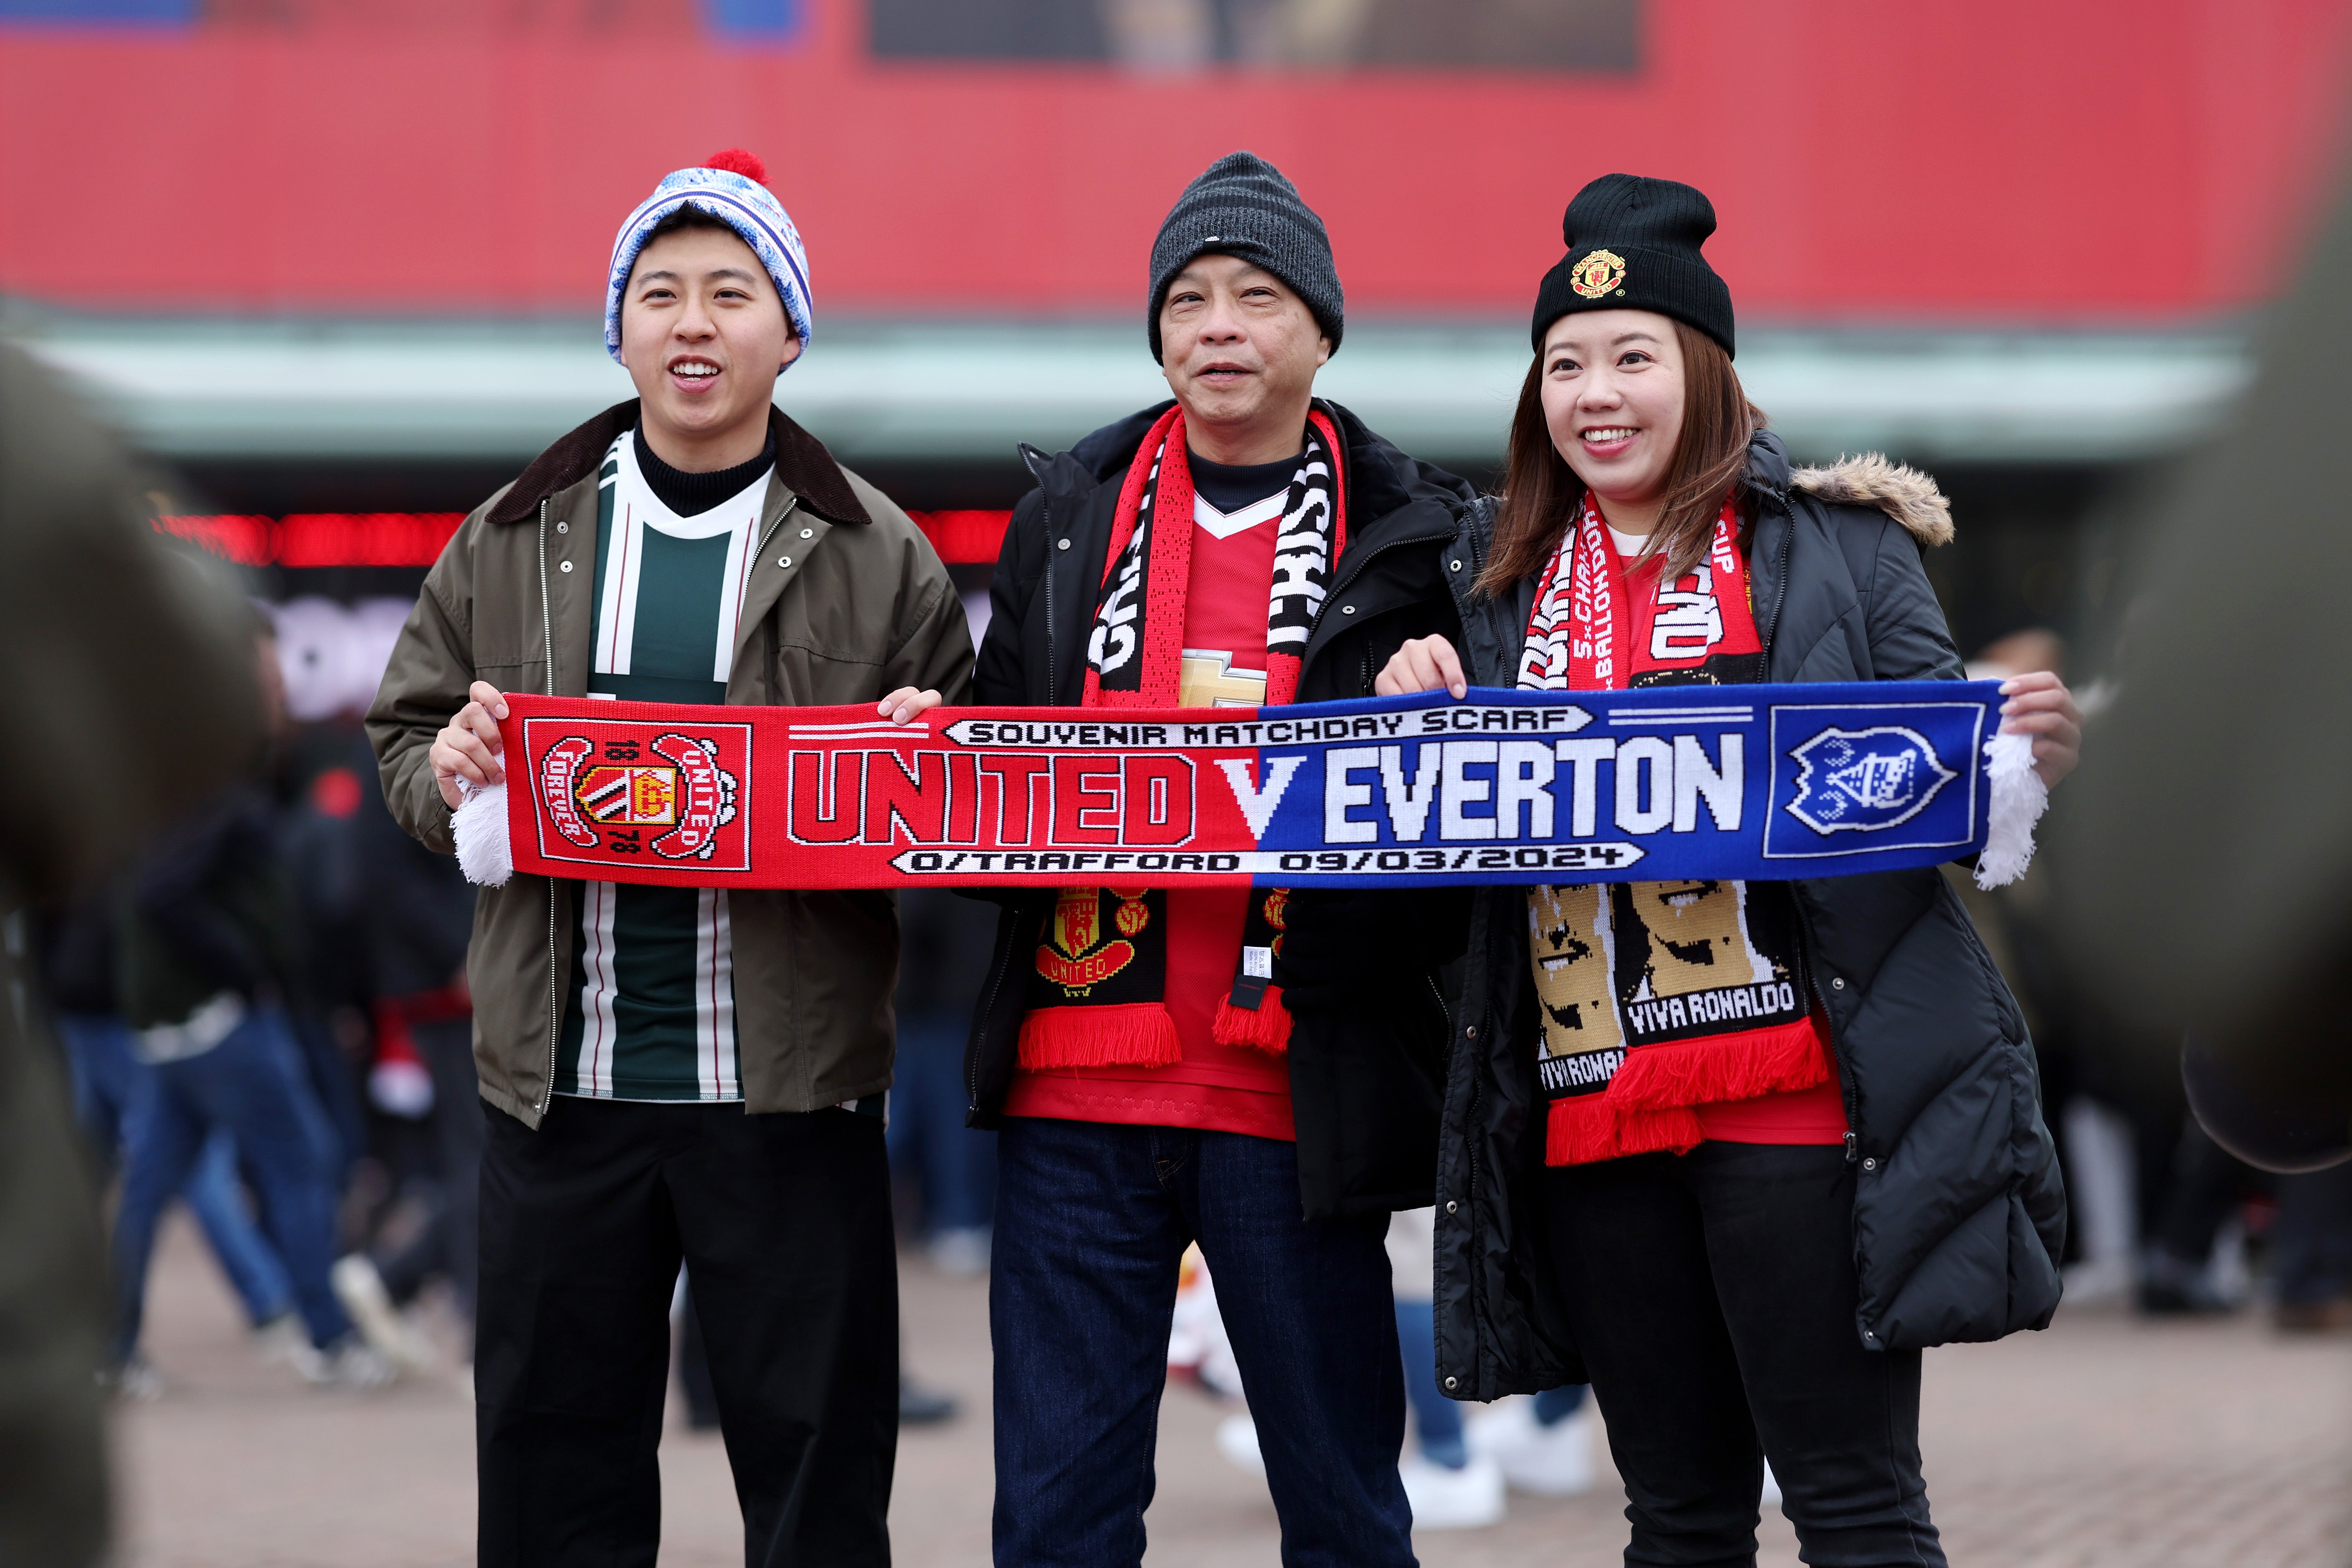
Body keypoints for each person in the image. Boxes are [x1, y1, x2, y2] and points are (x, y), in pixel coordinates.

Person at [1354, 174, 2082, 1564]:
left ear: (1706, 374)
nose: (1594, 392)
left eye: (1631, 356)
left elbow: (1945, 796)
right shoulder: (1489, 585)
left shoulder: (1840, 543)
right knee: (1676, 1519)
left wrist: (2012, 764)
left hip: (1796, 1104)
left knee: (1853, 1505)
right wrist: (1415, 698)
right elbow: (1442, 852)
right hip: (1588, 1107)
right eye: (1562, 365)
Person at [367, 149, 971, 1566]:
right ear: (619, 326)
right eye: (660, 293)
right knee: (548, 1469)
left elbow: (959, 796)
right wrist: (448, 768)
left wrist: (928, 746)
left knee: (817, 1472)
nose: (692, 323)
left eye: (730, 291)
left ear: (789, 327)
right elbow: (404, 735)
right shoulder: (510, 534)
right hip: (556, 1091)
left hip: (789, 1095)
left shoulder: (877, 552)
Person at [964, 150, 1477, 1567]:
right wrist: (930, 740)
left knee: (1342, 1505)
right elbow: (987, 768)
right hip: (1077, 1080)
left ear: (1319, 327)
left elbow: (1480, 847)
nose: (1217, 327)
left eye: (1256, 296)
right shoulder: (1065, 511)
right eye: (1184, 300)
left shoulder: (1412, 535)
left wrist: (1433, 734)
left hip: (1291, 1087)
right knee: (1055, 1518)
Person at [0, 341, 268, 1568]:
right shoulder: (25, 439)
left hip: (119, 1002)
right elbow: (187, 691)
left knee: (168, 1168)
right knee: (205, 1167)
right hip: (135, 1005)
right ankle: (289, 1314)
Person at [106, 616, 394, 1391]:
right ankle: (330, 1340)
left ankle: (110, 1350)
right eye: (262, 680)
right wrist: (243, 973)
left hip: (177, 1021)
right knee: (304, 1165)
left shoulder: (183, 767)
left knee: (149, 1185)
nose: (278, 694)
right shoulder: (211, 775)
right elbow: (161, 894)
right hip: (216, 1019)